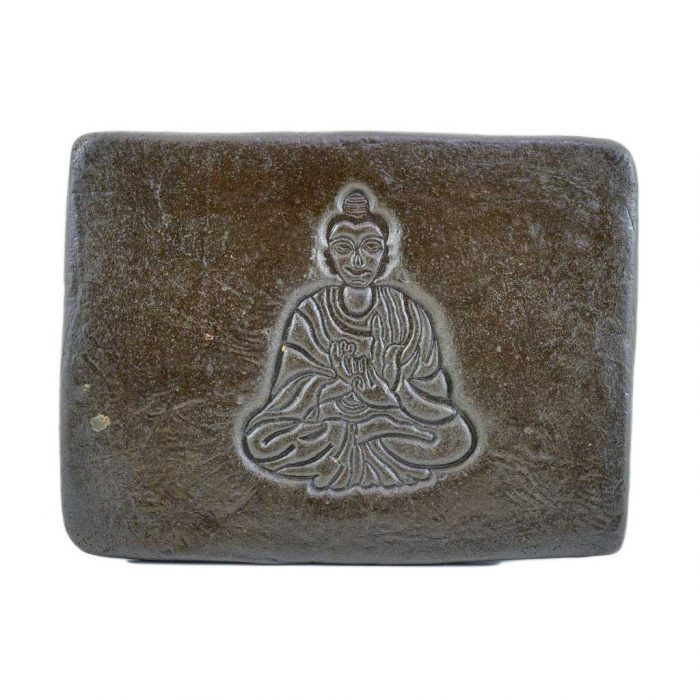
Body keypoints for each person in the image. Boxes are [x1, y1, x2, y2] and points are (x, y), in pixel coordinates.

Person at [242, 187, 476, 492]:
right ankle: (364, 442)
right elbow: (288, 394)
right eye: (343, 247)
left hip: (393, 418)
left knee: (458, 440)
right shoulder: (312, 311)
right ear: (328, 257)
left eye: (370, 247)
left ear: (385, 257)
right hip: (329, 427)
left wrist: (391, 391)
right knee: (258, 443)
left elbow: (434, 395)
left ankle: (378, 432)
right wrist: (343, 384)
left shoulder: (407, 312)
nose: (357, 261)